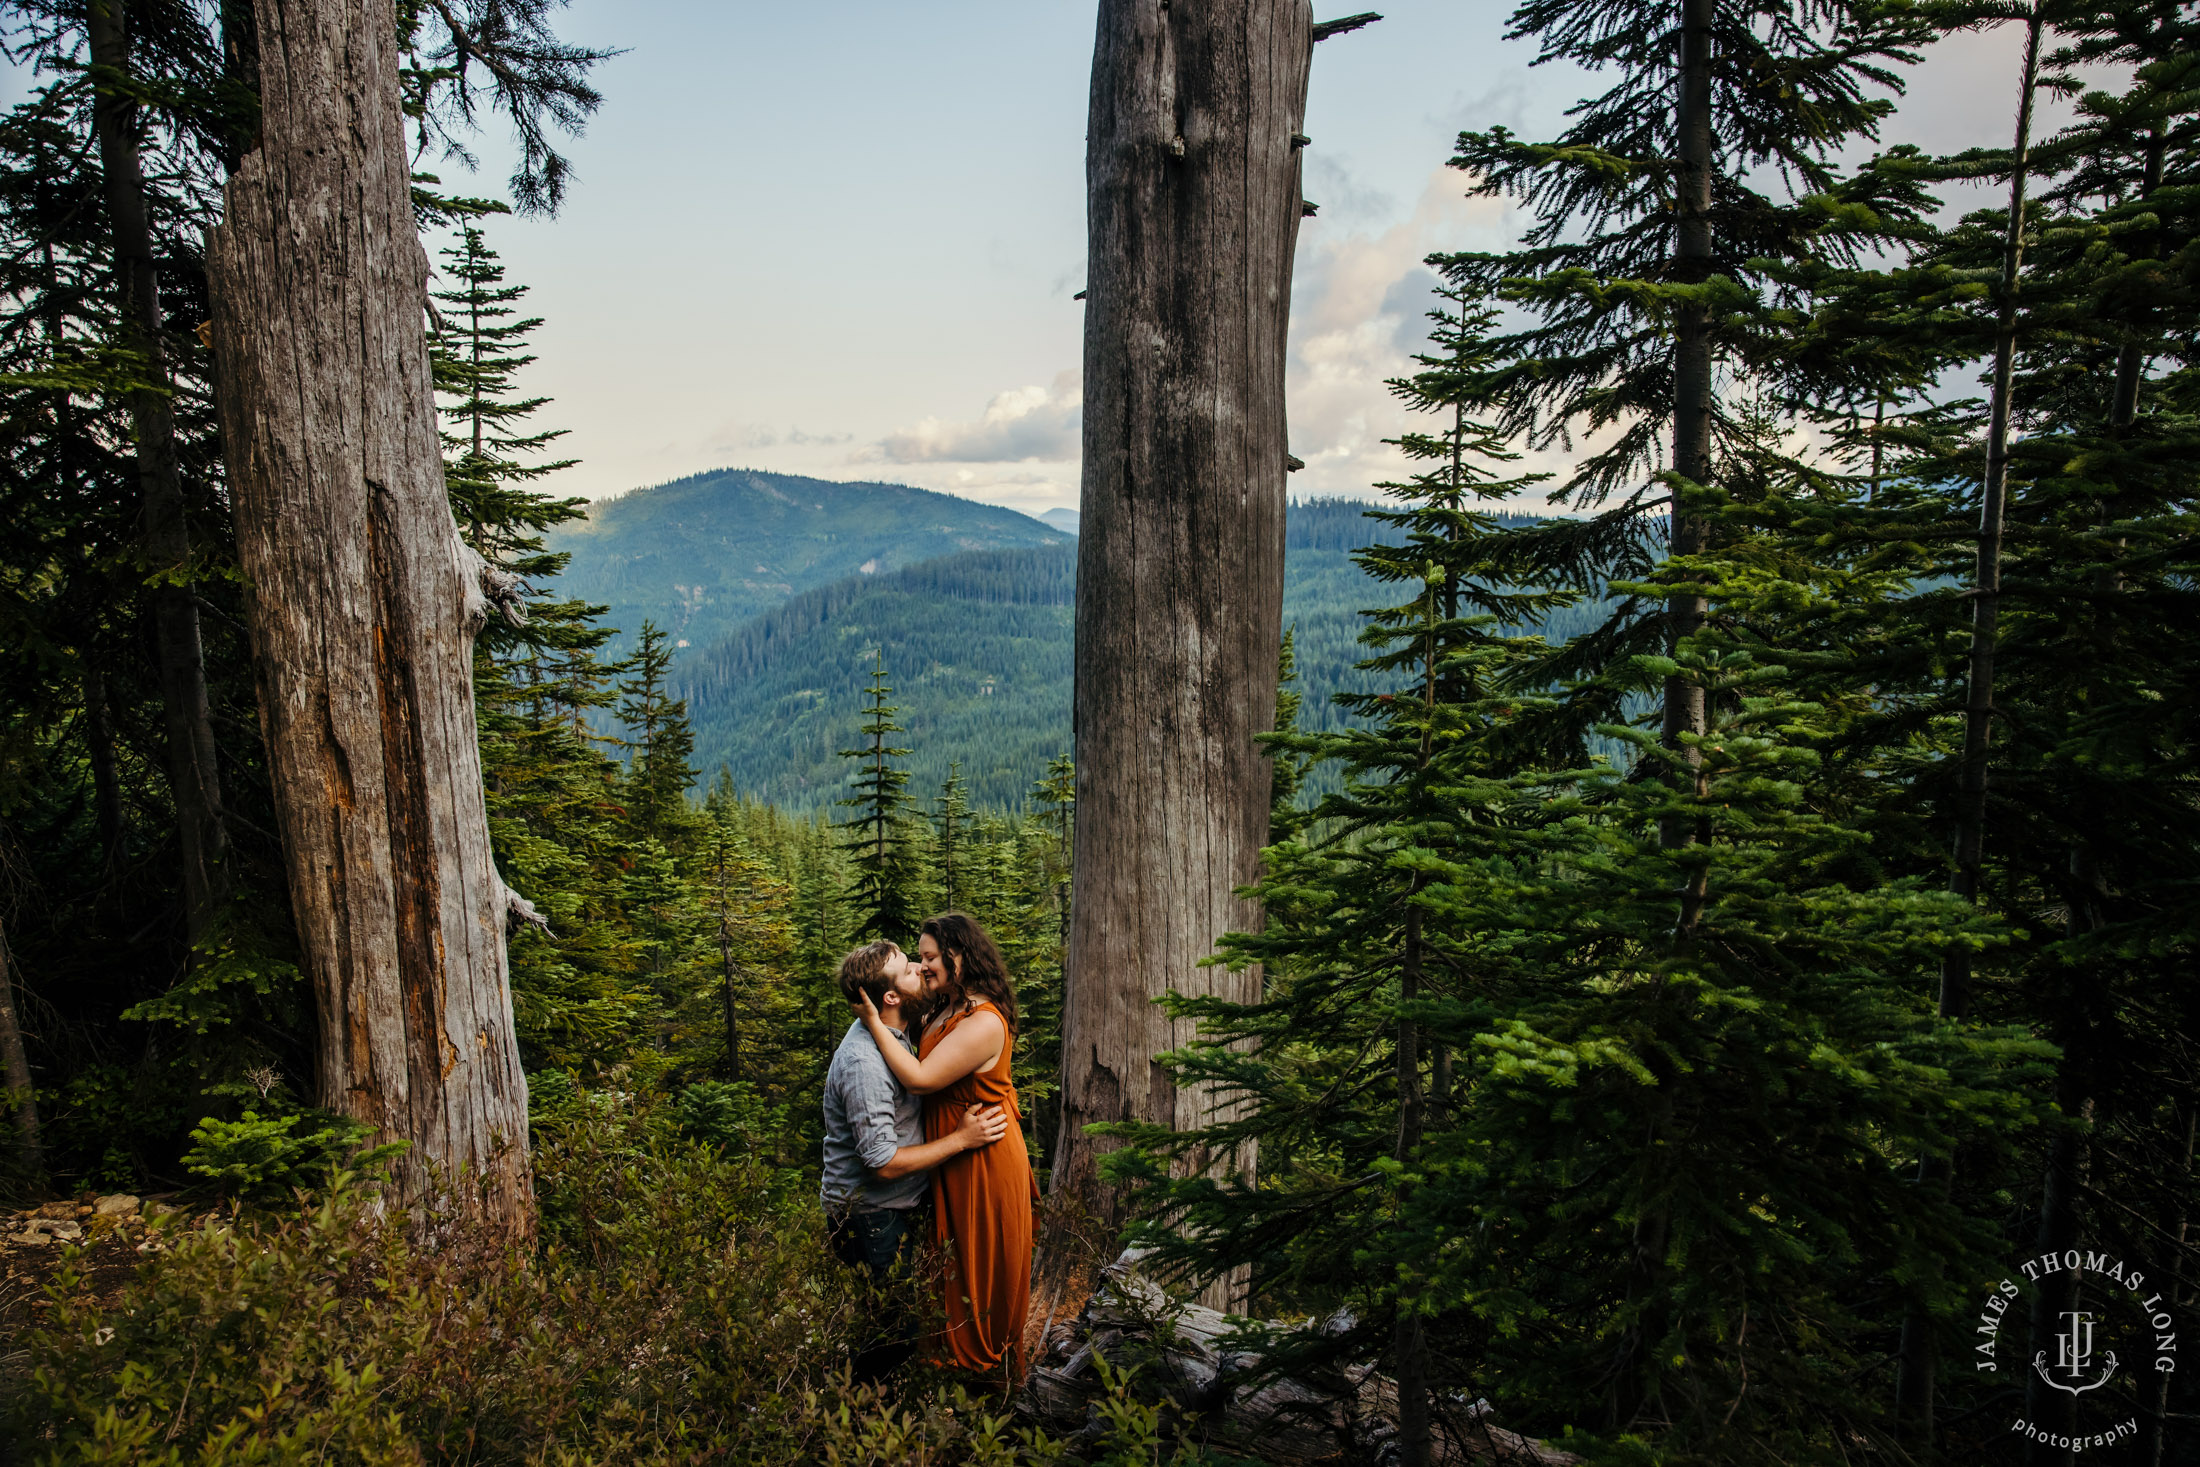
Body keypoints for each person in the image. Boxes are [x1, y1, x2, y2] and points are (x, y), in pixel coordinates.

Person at [856, 912, 1036, 1378]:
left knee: (980, 1269)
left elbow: (918, 1079)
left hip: (983, 1159)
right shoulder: (947, 1007)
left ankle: (990, 1382)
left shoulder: (984, 1021)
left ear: (959, 956)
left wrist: (873, 1021)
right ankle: (954, 1383)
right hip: (955, 1155)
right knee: (951, 1271)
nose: (924, 965)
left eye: (931, 956)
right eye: (920, 957)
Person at [823, 938, 1006, 1377]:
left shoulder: (898, 1031)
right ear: (890, 997)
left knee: (895, 1326)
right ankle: (856, 1427)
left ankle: (872, 1418)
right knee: (892, 1333)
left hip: (893, 1210)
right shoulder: (864, 1062)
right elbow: (882, 1161)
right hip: (869, 1216)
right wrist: (962, 1140)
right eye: (908, 969)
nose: (919, 971)